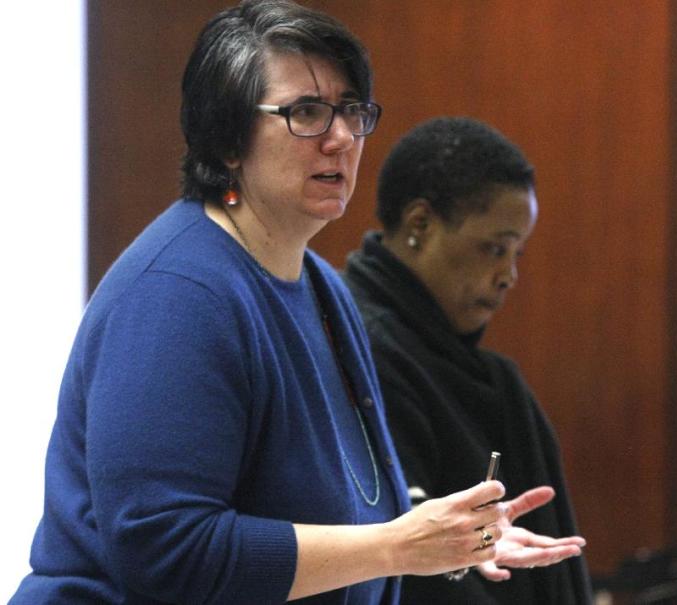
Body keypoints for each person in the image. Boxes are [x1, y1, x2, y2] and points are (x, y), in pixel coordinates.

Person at [10, 3, 583, 604]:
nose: (340, 139)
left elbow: (355, 513)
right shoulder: (175, 294)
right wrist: (398, 547)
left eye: (351, 112)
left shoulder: (323, 287)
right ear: (229, 139)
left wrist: (452, 542)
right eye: (306, 113)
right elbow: (168, 551)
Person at [343, 117, 593, 604]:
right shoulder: (354, 345)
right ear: (421, 225)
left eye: (517, 252)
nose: (508, 276)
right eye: (494, 248)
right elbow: (397, 566)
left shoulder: (494, 380)